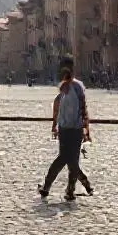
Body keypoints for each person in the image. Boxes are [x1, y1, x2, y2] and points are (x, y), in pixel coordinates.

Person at [38, 56, 93, 201]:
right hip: (65, 129)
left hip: (74, 129)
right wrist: (55, 125)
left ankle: (62, 188)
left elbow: (83, 107)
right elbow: (58, 107)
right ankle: (64, 187)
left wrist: (86, 129)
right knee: (67, 159)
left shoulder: (77, 87)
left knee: (69, 160)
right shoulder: (63, 88)